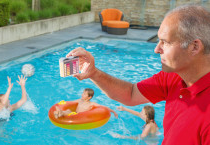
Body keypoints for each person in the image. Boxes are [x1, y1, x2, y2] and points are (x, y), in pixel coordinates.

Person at [66, 4, 210, 144]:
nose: (157, 49)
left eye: (165, 42)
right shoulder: (173, 76)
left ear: (194, 47)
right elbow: (131, 93)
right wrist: (94, 73)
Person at [54, 88, 118, 118]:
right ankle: (59, 113)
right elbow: (70, 102)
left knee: (69, 112)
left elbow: (103, 107)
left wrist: (113, 112)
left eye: (84, 94)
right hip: (75, 114)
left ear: (89, 97)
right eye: (83, 93)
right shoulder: (80, 100)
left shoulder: (91, 104)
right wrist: (62, 103)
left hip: (80, 117)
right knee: (68, 110)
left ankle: (60, 113)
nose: (82, 94)